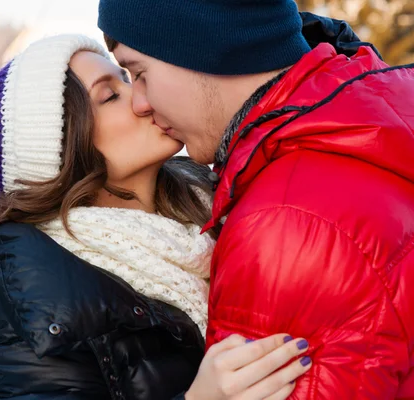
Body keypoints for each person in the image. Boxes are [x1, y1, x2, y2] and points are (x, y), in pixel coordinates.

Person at [0, 35, 312, 399]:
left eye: (128, 77)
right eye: (110, 95)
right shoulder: (19, 319)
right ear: (62, 151)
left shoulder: (224, 195)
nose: (143, 98)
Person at [98, 1, 414, 399]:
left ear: (201, 47)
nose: (139, 102)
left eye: (140, 73)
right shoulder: (370, 119)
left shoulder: (284, 222)